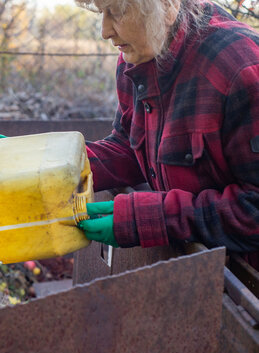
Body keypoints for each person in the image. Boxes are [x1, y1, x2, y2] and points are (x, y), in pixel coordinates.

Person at [74, 0, 259, 269]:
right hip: (199, 268)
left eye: (117, 11)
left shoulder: (241, 68)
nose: (105, 31)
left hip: (248, 285)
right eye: (102, 13)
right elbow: (130, 146)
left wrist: (146, 219)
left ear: (167, 4)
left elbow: (254, 209)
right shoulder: (137, 55)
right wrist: (59, 163)